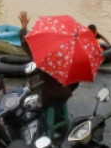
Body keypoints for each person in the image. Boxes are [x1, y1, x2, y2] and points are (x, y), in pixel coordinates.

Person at [18, 10, 77, 138]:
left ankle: (43, 124)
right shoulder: (73, 58)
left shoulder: (47, 58)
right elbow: (75, 83)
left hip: (47, 96)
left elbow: (27, 46)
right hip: (65, 93)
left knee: (30, 91)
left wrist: (24, 29)